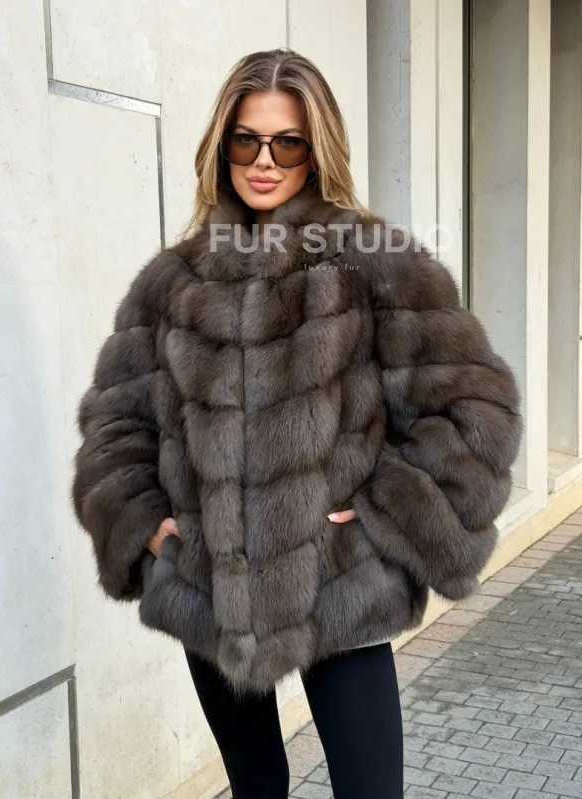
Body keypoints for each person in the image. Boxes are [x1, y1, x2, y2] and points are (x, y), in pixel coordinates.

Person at [72, 48, 522, 799]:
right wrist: (147, 527)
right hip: (210, 589)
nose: (264, 161)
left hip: (338, 586)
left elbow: (477, 411)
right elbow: (115, 423)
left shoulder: (374, 263)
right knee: (255, 788)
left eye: (287, 143)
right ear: (222, 146)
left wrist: (380, 516)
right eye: (246, 140)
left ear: (317, 151)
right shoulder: (172, 283)